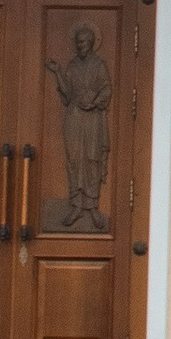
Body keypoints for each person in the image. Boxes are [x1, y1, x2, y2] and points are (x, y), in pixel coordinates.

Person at [49, 23, 113, 230]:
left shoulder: (99, 65)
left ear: (92, 43)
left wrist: (94, 101)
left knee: (91, 159)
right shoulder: (72, 66)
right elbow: (66, 94)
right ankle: (77, 205)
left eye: (84, 42)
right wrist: (57, 71)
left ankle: (92, 206)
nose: (80, 46)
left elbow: (106, 88)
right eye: (78, 42)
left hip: (93, 118)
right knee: (75, 159)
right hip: (74, 116)